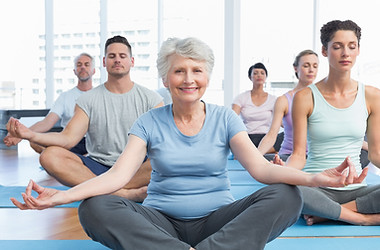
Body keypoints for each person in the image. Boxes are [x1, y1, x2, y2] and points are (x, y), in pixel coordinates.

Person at [10, 37, 365, 250]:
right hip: (160, 221)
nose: (189, 79)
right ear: (166, 78)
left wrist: (318, 179)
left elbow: (261, 169)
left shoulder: (225, 117)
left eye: (197, 71)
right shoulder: (149, 121)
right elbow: (117, 177)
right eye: (180, 71)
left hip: (217, 220)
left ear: (207, 76)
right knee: (93, 208)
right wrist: (59, 197)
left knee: (287, 194)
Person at [6, 35, 163, 202]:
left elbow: (163, 143)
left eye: (122, 56)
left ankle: (103, 187)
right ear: (104, 62)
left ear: (132, 61)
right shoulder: (87, 100)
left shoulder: (151, 99)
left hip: (134, 168)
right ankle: (122, 193)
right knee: (49, 156)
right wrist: (29, 135)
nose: (117, 60)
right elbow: (68, 138)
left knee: (162, 157)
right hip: (98, 167)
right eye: (112, 56)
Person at [282, 20, 380, 226]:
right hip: (316, 189)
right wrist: (284, 174)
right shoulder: (305, 97)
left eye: (351, 47)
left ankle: (335, 213)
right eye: (337, 47)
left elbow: (375, 153)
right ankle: (363, 219)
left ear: (358, 50)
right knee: (288, 193)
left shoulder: (372, 96)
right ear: (325, 51)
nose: (345, 53)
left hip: (356, 190)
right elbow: (299, 155)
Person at [3, 52, 95, 155]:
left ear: (94, 71)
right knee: (34, 141)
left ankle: (65, 158)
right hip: (69, 140)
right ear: (74, 71)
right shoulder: (65, 96)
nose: (82, 67)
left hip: (93, 142)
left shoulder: (99, 95)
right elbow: (47, 123)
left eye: (87, 64)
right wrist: (21, 134)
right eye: (79, 64)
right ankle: (59, 157)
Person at [258, 50, 319, 161]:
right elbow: (272, 135)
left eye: (315, 66)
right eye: (306, 65)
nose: (311, 70)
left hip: (317, 158)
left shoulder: (324, 97)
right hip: (289, 156)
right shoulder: (284, 100)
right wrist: (254, 159)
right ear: (295, 68)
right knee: (265, 160)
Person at [232, 63, 283, 153]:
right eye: (255, 73)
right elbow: (232, 119)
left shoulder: (273, 99)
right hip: (247, 138)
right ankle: (263, 152)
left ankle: (252, 153)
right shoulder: (241, 97)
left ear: (266, 77)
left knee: (286, 135)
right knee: (233, 136)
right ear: (250, 77)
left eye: (262, 73)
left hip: (267, 138)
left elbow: (282, 122)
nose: (259, 75)